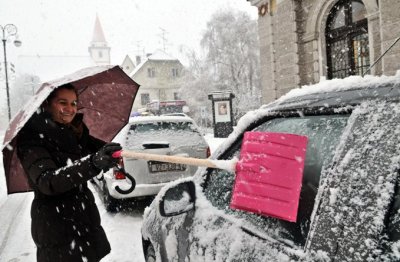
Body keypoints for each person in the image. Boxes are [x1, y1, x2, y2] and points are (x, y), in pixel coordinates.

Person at [16, 83, 122, 262]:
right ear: (47, 104)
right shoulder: (31, 137)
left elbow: (99, 149)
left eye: (74, 103)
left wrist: (112, 153)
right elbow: (48, 182)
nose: (70, 109)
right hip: (56, 227)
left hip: (84, 220)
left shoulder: (75, 132)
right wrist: (93, 162)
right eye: (62, 102)